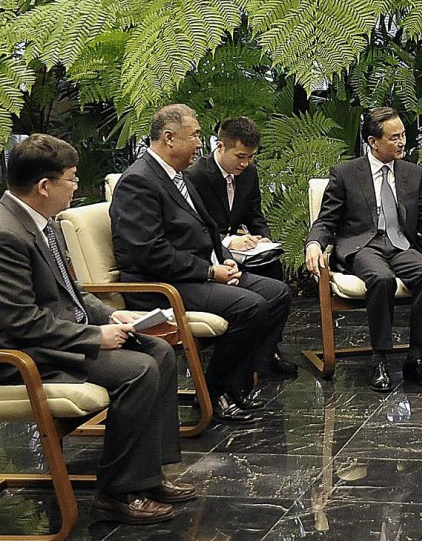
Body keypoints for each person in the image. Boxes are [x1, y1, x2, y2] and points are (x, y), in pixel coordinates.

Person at [0, 134, 196, 525]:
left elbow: (71, 291)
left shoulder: (38, 221)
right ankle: (116, 493)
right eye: (71, 178)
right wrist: (93, 338)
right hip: (15, 357)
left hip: (47, 339)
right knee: (137, 370)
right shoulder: (1, 236)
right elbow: (21, 321)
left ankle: (146, 477)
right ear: (44, 186)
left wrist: (107, 317)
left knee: (159, 351)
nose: (77, 186)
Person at [110, 104, 294, 425]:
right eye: (195, 135)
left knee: (277, 294)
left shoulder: (177, 176)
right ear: (169, 138)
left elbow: (207, 228)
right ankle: (214, 393)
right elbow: (148, 252)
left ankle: (238, 382)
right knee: (249, 307)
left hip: (196, 274)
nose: (200, 143)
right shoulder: (139, 181)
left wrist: (224, 260)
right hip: (163, 286)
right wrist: (210, 271)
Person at [304, 107, 422, 393]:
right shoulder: (345, 174)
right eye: (394, 138)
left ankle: (416, 357)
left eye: (404, 135)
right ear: (373, 142)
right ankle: (379, 359)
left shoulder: (413, 174)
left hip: (401, 244)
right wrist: (315, 243)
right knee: (381, 279)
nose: (402, 142)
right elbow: (326, 220)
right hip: (363, 244)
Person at [185, 116, 284, 284]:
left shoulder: (249, 173)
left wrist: (263, 238)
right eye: (240, 156)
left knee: (273, 267)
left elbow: (254, 215)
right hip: (210, 253)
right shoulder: (195, 175)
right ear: (220, 147)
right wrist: (228, 241)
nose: (245, 163)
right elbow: (194, 227)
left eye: (251, 157)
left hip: (243, 252)